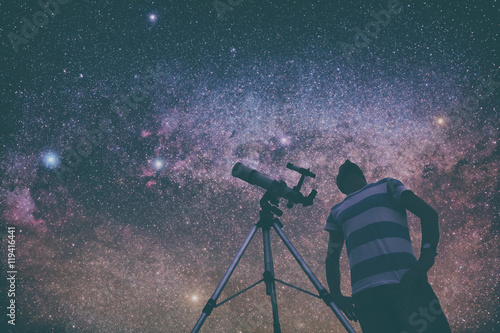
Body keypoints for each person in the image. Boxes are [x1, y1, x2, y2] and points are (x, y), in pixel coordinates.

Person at [325, 160, 452, 333]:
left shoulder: (387, 185)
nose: (346, 162)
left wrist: (425, 261)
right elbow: (331, 258)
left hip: (406, 284)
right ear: (340, 185)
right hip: (366, 299)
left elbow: (428, 214)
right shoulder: (336, 211)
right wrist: (336, 295)